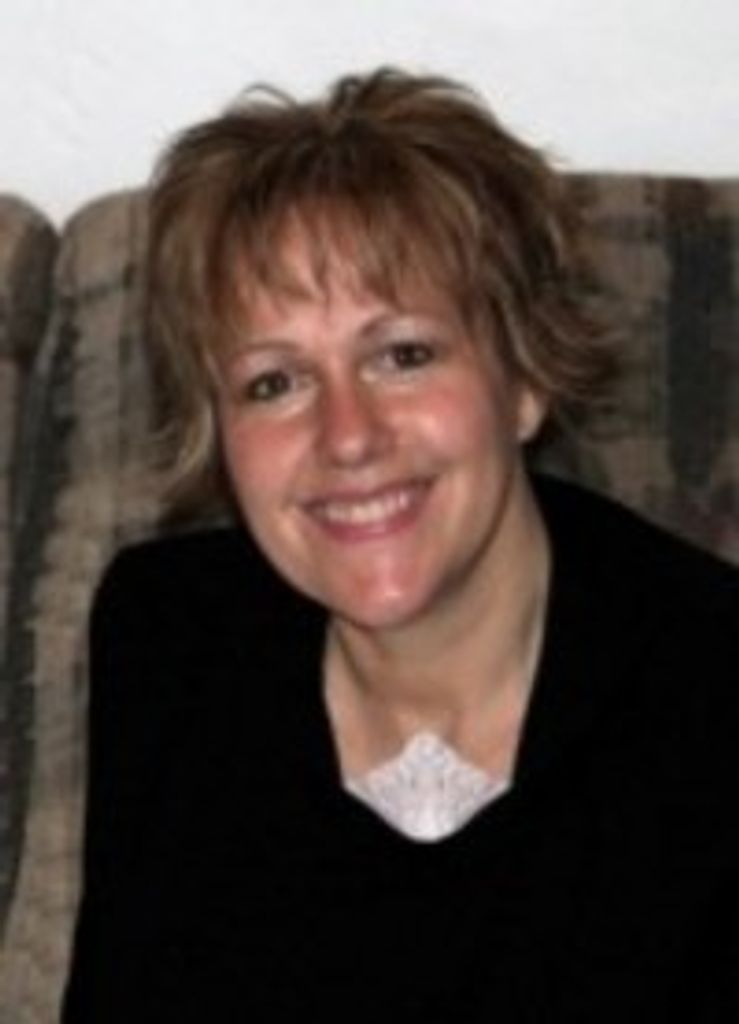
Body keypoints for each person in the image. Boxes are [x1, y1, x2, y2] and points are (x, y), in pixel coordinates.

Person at [62, 68, 739, 1021]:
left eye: (403, 355)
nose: (347, 436)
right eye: (274, 382)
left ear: (523, 378)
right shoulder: (168, 636)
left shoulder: (712, 686)